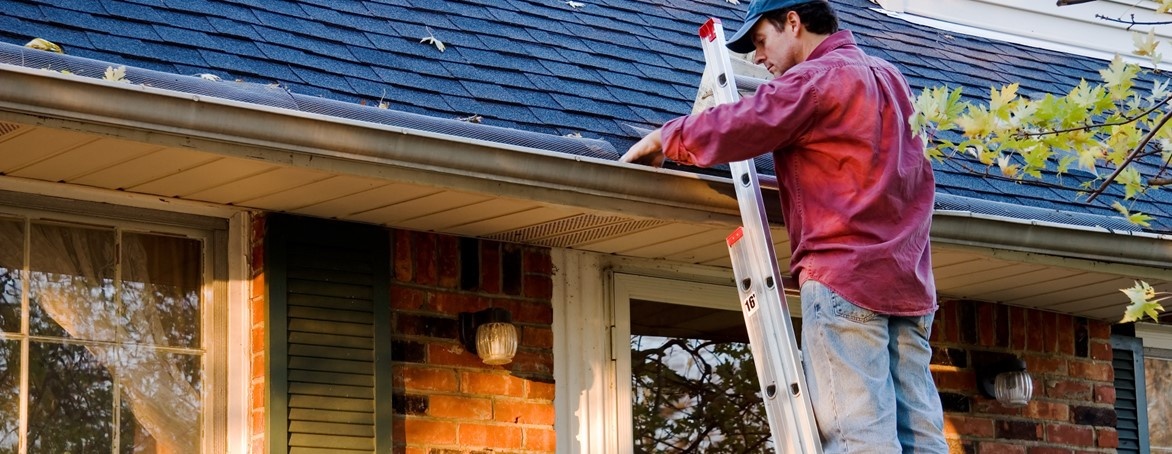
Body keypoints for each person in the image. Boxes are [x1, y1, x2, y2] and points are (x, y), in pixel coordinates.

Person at [620, 0, 948, 452]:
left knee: (860, 440)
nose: (757, 58)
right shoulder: (891, 79)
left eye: (760, 40)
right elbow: (905, 175)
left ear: (793, 22)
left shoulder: (814, 81)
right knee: (923, 438)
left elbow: (746, 122)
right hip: (910, 288)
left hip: (844, 281)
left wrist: (667, 137)